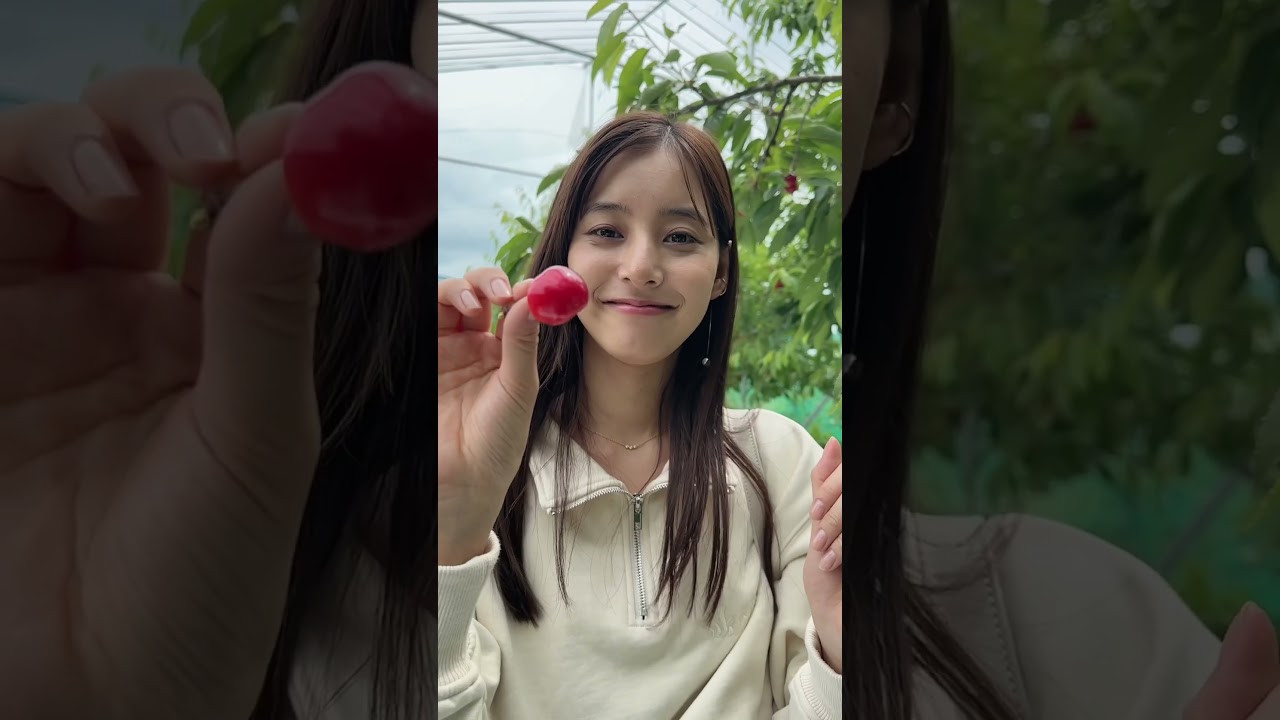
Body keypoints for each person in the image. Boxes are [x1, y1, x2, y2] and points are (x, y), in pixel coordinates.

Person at [0, 0, 1274, 720]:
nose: (639, 267)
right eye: (604, 231)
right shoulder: (279, 603)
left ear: (892, 101)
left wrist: (836, 650)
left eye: (681, 236)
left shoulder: (1073, 648)